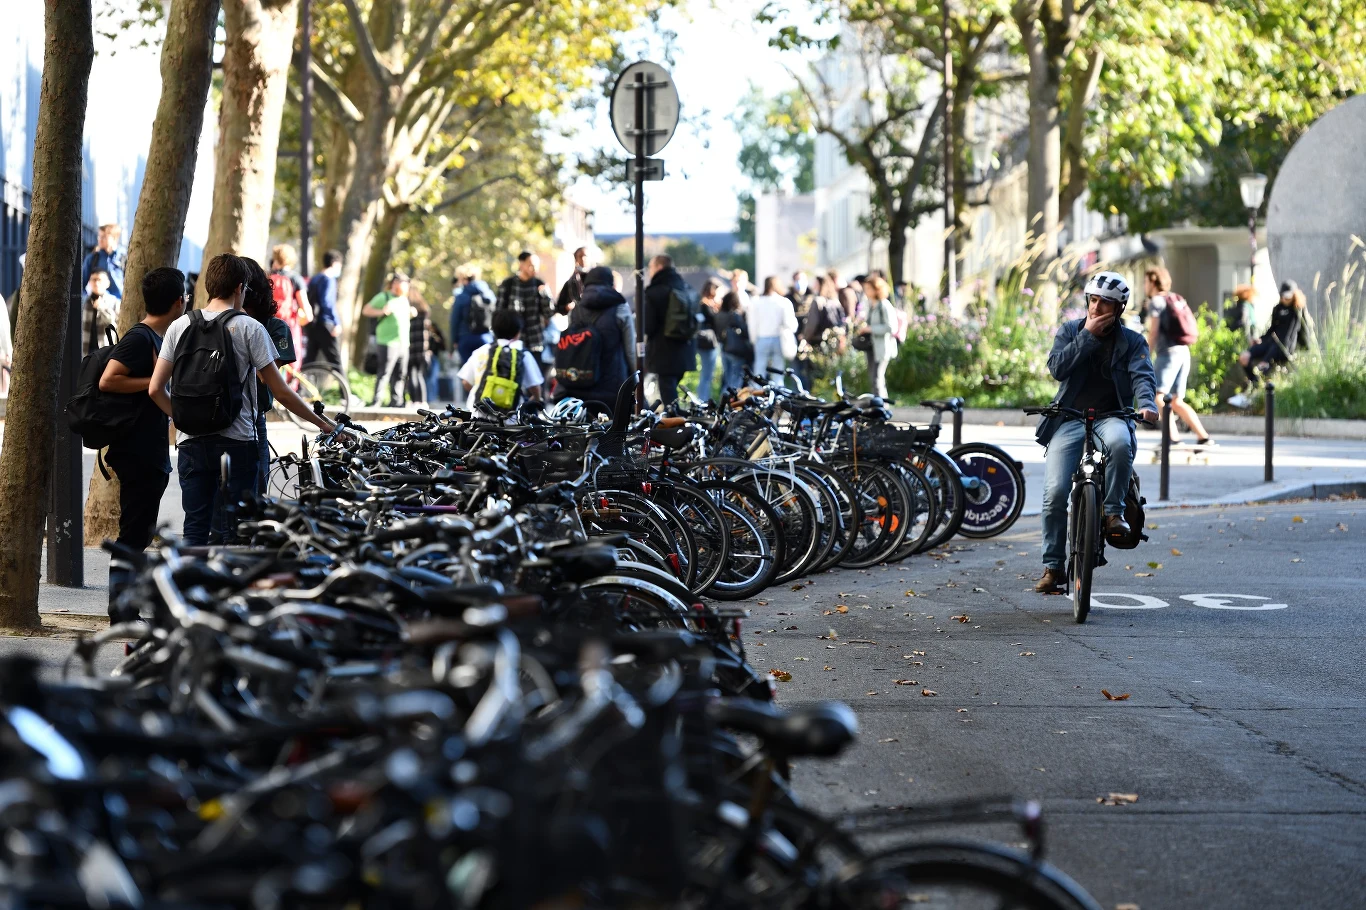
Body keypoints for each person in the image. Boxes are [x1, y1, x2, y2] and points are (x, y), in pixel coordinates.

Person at [149, 253, 334, 545]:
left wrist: (183, 418)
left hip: (190, 441)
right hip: (237, 440)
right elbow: (282, 392)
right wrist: (324, 424)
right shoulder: (249, 328)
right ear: (239, 287)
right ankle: (229, 586)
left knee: (196, 527)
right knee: (238, 528)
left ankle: (194, 588)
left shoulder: (179, 326)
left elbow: (155, 389)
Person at [1034, 271, 1158, 595]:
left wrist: (1147, 405)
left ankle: (1113, 513)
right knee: (1055, 493)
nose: (1097, 307)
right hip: (1070, 418)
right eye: (1093, 300)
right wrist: (1087, 335)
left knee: (1119, 443)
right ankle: (1053, 567)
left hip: (1112, 416)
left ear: (1119, 309)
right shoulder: (1070, 331)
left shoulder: (1132, 342)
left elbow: (1143, 377)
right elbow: (1057, 368)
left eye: (1105, 303)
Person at [98, 266, 185, 605]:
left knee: (139, 533)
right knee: (132, 534)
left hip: (147, 450)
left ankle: (126, 604)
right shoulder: (140, 337)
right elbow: (109, 380)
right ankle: (120, 609)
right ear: (178, 302)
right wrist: (152, 386)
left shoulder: (156, 338)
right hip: (135, 451)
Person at [240, 257, 297, 495]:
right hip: (223, 419)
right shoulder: (214, 323)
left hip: (253, 418)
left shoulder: (273, 328)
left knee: (254, 496)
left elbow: (267, 377)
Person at [1144, 265, 1214, 447]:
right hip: (1183, 352)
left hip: (1168, 353)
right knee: (1176, 400)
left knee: (1158, 396)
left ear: (1153, 281)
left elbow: (1154, 332)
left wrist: (1145, 355)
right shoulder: (1176, 299)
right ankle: (1203, 437)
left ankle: (1172, 438)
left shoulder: (1157, 302)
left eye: (1145, 281)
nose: (1144, 285)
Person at [554, 265, 636, 416]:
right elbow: (630, 350)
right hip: (613, 387)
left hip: (579, 384)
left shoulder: (576, 310)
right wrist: (636, 378)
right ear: (610, 283)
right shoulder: (620, 308)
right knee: (613, 436)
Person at [1228, 280, 1306, 408]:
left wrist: (1266, 359)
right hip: (1270, 342)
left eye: (1287, 296)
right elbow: (1271, 330)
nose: (1284, 298)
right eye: (1283, 295)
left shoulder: (1296, 311)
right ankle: (1255, 384)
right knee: (1244, 357)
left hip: (1283, 347)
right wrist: (1260, 339)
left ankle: (1254, 393)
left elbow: (1287, 337)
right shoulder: (1277, 308)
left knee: (1263, 367)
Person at [458, 309, 544, 412]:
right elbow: (535, 388)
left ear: (493, 330)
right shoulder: (523, 354)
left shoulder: (481, 351)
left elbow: (466, 382)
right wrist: (537, 399)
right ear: (518, 332)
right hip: (508, 419)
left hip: (477, 415)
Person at [642, 254, 697, 405]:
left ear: (659, 267)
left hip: (663, 352)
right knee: (671, 391)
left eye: (651, 268)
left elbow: (648, 326)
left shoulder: (654, 291)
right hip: (686, 349)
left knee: (668, 395)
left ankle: (676, 424)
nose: (649, 272)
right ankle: (677, 419)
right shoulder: (685, 287)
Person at [363, 273, 414, 407]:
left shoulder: (404, 300)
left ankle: (396, 402)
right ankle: (377, 401)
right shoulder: (383, 297)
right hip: (387, 342)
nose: (406, 287)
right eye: (404, 283)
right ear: (395, 283)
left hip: (403, 343)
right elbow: (366, 310)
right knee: (384, 373)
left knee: (401, 374)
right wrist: (382, 312)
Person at [496, 251, 553, 366]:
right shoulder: (508, 285)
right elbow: (498, 314)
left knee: (535, 380)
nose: (534, 269)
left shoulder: (539, 284)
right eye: (531, 265)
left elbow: (549, 313)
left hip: (535, 343)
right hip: (512, 343)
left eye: (536, 266)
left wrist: (545, 295)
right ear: (521, 264)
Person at [747, 276, 798, 385]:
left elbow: (752, 323)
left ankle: (757, 396)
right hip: (777, 338)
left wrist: (753, 339)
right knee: (778, 372)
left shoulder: (756, 302)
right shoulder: (783, 302)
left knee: (759, 371)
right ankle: (778, 397)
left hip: (761, 338)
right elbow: (791, 324)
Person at [269, 244, 312, 369]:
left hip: (268, 326)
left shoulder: (266, 278)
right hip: (288, 326)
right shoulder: (296, 279)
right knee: (290, 363)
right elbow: (308, 314)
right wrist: (299, 322)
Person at [859, 276, 899, 398]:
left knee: (877, 378)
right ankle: (877, 406)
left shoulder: (884, 305)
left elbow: (892, 327)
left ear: (877, 289)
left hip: (882, 347)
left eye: (869, 288)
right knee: (873, 378)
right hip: (871, 346)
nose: (866, 291)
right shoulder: (871, 305)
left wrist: (870, 329)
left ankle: (882, 407)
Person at [304, 250, 343, 367]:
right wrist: (336, 322)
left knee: (310, 360)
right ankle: (344, 385)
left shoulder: (315, 278)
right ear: (335, 263)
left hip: (312, 323)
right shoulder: (329, 279)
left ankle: (301, 385)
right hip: (325, 323)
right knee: (335, 362)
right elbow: (327, 303)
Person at [452, 265, 497, 362]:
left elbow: (455, 320)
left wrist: (454, 340)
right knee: (485, 371)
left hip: (466, 338)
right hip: (486, 337)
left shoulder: (461, 296)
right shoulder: (488, 294)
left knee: (467, 373)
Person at [713, 284, 751, 395]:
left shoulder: (719, 315)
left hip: (724, 348)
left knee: (727, 377)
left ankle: (724, 402)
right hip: (735, 349)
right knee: (736, 377)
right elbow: (744, 331)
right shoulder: (734, 315)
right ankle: (731, 401)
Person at [695, 279, 723, 402]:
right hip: (709, 342)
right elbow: (715, 322)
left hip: (702, 341)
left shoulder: (700, 304)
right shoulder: (707, 306)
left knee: (705, 374)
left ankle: (703, 398)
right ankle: (703, 400)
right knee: (707, 374)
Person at [82, 270, 120, 359]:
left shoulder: (114, 302)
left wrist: (102, 308)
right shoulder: (84, 302)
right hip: (86, 350)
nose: (96, 283)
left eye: (99, 280)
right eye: (93, 280)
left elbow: (115, 325)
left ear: (107, 283)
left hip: (106, 351)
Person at [82, 223, 124, 298]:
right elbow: (81, 285)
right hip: (99, 306)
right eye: (99, 236)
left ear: (114, 238)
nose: (100, 239)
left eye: (104, 237)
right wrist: (87, 300)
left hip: (120, 304)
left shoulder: (123, 257)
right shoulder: (92, 258)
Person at [407, 292, 435, 404]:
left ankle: (415, 400)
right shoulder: (424, 317)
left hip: (412, 350)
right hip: (422, 351)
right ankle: (422, 401)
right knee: (419, 376)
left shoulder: (410, 317)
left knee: (412, 376)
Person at [555, 246, 589, 314]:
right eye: (580, 256)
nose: (583, 259)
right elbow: (559, 307)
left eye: (585, 256)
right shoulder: (571, 283)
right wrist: (567, 307)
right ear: (576, 260)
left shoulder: (597, 279)